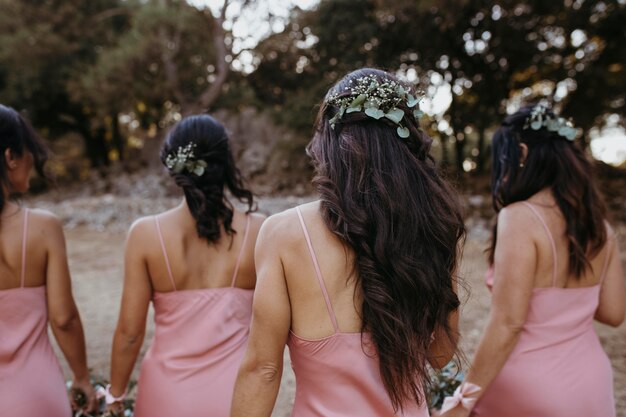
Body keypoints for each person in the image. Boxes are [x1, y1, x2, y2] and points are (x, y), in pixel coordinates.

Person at [232, 68, 465, 416]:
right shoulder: (434, 227)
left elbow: (263, 369)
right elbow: (441, 354)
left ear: (329, 141)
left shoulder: (283, 233)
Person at [440, 104, 625, 417]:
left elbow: (508, 323)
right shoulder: (600, 228)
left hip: (530, 389)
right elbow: (613, 312)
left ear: (522, 153)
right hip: (591, 385)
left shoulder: (520, 218)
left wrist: (463, 400)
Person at [106, 114, 264, 417]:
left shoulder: (145, 234)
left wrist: (115, 395)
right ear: (226, 163)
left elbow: (129, 332)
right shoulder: (259, 231)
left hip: (165, 396)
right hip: (236, 398)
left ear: (174, 165)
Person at [0, 104, 96, 415]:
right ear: (10, 157)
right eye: (29, 150)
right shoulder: (43, 228)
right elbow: (64, 318)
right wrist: (81, 377)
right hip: (35, 395)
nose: (34, 159)